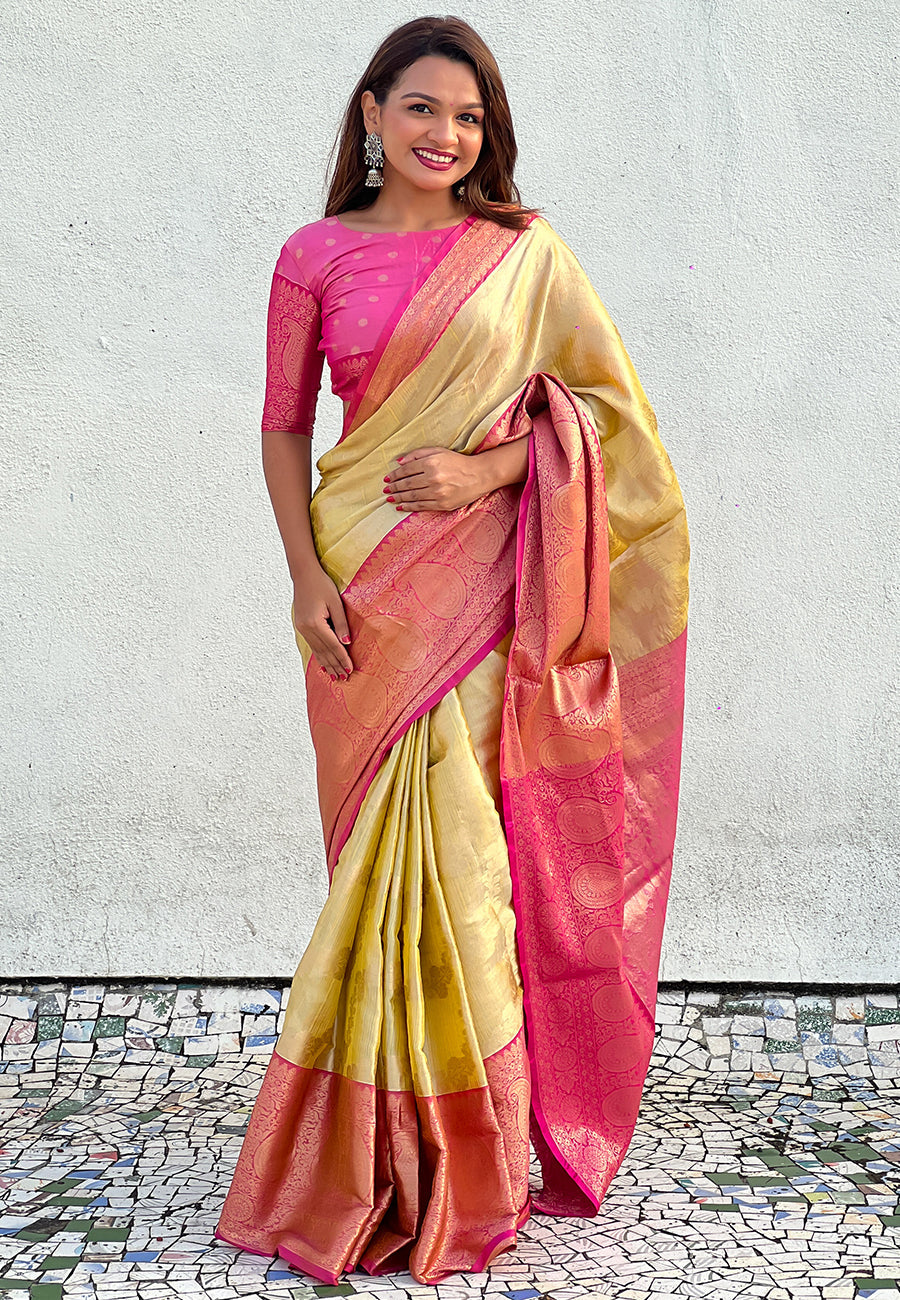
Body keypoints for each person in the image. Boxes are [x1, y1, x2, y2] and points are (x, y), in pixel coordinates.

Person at [215, 14, 689, 1287]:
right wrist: (304, 577)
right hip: (361, 588)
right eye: (422, 107)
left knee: (465, 863)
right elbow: (282, 426)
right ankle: (374, 1140)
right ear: (372, 112)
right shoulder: (314, 254)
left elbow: (614, 426)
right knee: (376, 863)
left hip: (482, 596)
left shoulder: (524, 255)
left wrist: (485, 468)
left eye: (470, 117)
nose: (446, 134)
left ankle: (470, 1156)